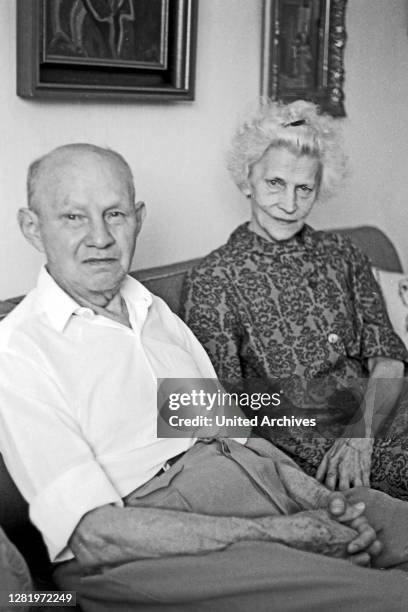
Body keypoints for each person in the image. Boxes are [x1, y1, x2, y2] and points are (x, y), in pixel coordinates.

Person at [1, 143, 408, 611]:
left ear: (138, 218)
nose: (100, 237)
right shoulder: (19, 349)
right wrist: (285, 532)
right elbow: (96, 536)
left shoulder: (151, 310)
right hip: (162, 540)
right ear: (32, 228)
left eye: (115, 214)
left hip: (259, 483)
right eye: (74, 217)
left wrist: (322, 502)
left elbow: (235, 433)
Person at [182, 99, 408, 500]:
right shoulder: (214, 278)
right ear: (246, 179)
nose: (289, 205)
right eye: (275, 184)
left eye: (304, 188)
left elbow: (387, 357)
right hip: (309, 444)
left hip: (376, 417)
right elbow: (227, 411)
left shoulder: (344, 252)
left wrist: (360, 435)